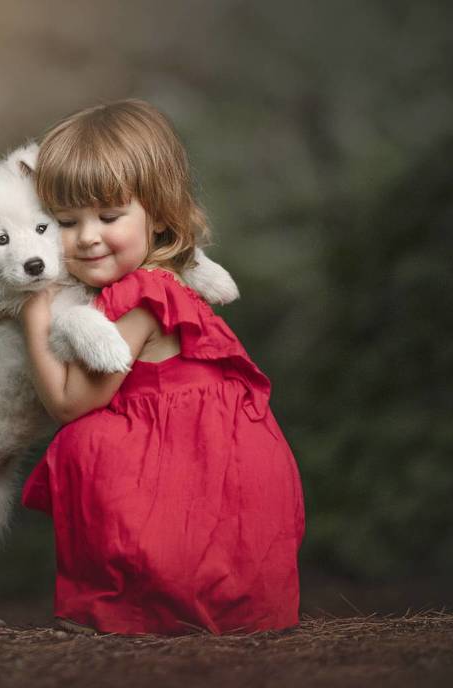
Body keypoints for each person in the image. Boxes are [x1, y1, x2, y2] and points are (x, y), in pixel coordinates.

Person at [19, 99, 305, 636]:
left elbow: (68, 401)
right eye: (64, 221)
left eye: (108, 216)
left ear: (158, 213)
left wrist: (34, 312)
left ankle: (140, 601)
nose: (85, 236)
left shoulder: (142, 298)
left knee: (84, 440)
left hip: (204, 489)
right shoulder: (166, 279)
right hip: (218, 481)